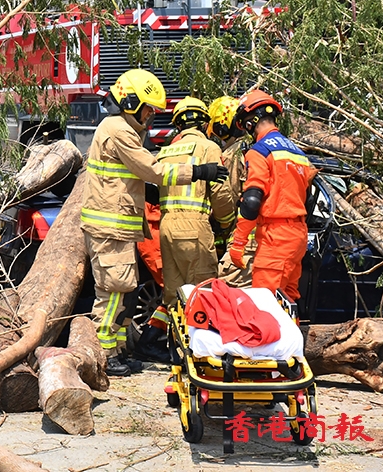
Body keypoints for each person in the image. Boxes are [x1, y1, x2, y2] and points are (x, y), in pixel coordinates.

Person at [81, 69, 228, 377]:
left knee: (126, 291)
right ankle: (104, 355)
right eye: (148, 109)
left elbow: (133, 176)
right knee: (114, 291)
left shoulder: (121, 128)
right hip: (111, 227)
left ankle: (119, 350)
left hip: (118, 226)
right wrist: (198, 172)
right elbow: (153, 170)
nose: (150, 116)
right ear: (130, 102)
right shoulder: (117, 129)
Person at [135, 97, 236, 362]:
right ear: (203, 123)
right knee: (203, 290)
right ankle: (203, 354)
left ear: (178, 125)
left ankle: (164, 346)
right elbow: (220, 192)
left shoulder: (165, 151)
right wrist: (226, 222)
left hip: (166, 227)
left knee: (174, 293)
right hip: (195, 227)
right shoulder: (209, 148)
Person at [228, 90, 316, 302]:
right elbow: (308, 198)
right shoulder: (298, 153)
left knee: (265, 302)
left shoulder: (259, 151)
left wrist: (238, 242)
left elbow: (252, 201)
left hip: (275, 238)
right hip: (298, 235)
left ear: (250, 122)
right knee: (288, 299)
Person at [208, 96, 257, 287]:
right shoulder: (258, 148)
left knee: (226, 292)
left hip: (245, 241)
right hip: (270, 240)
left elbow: (229, 198)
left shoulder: (233, 155)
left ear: (221, 128)